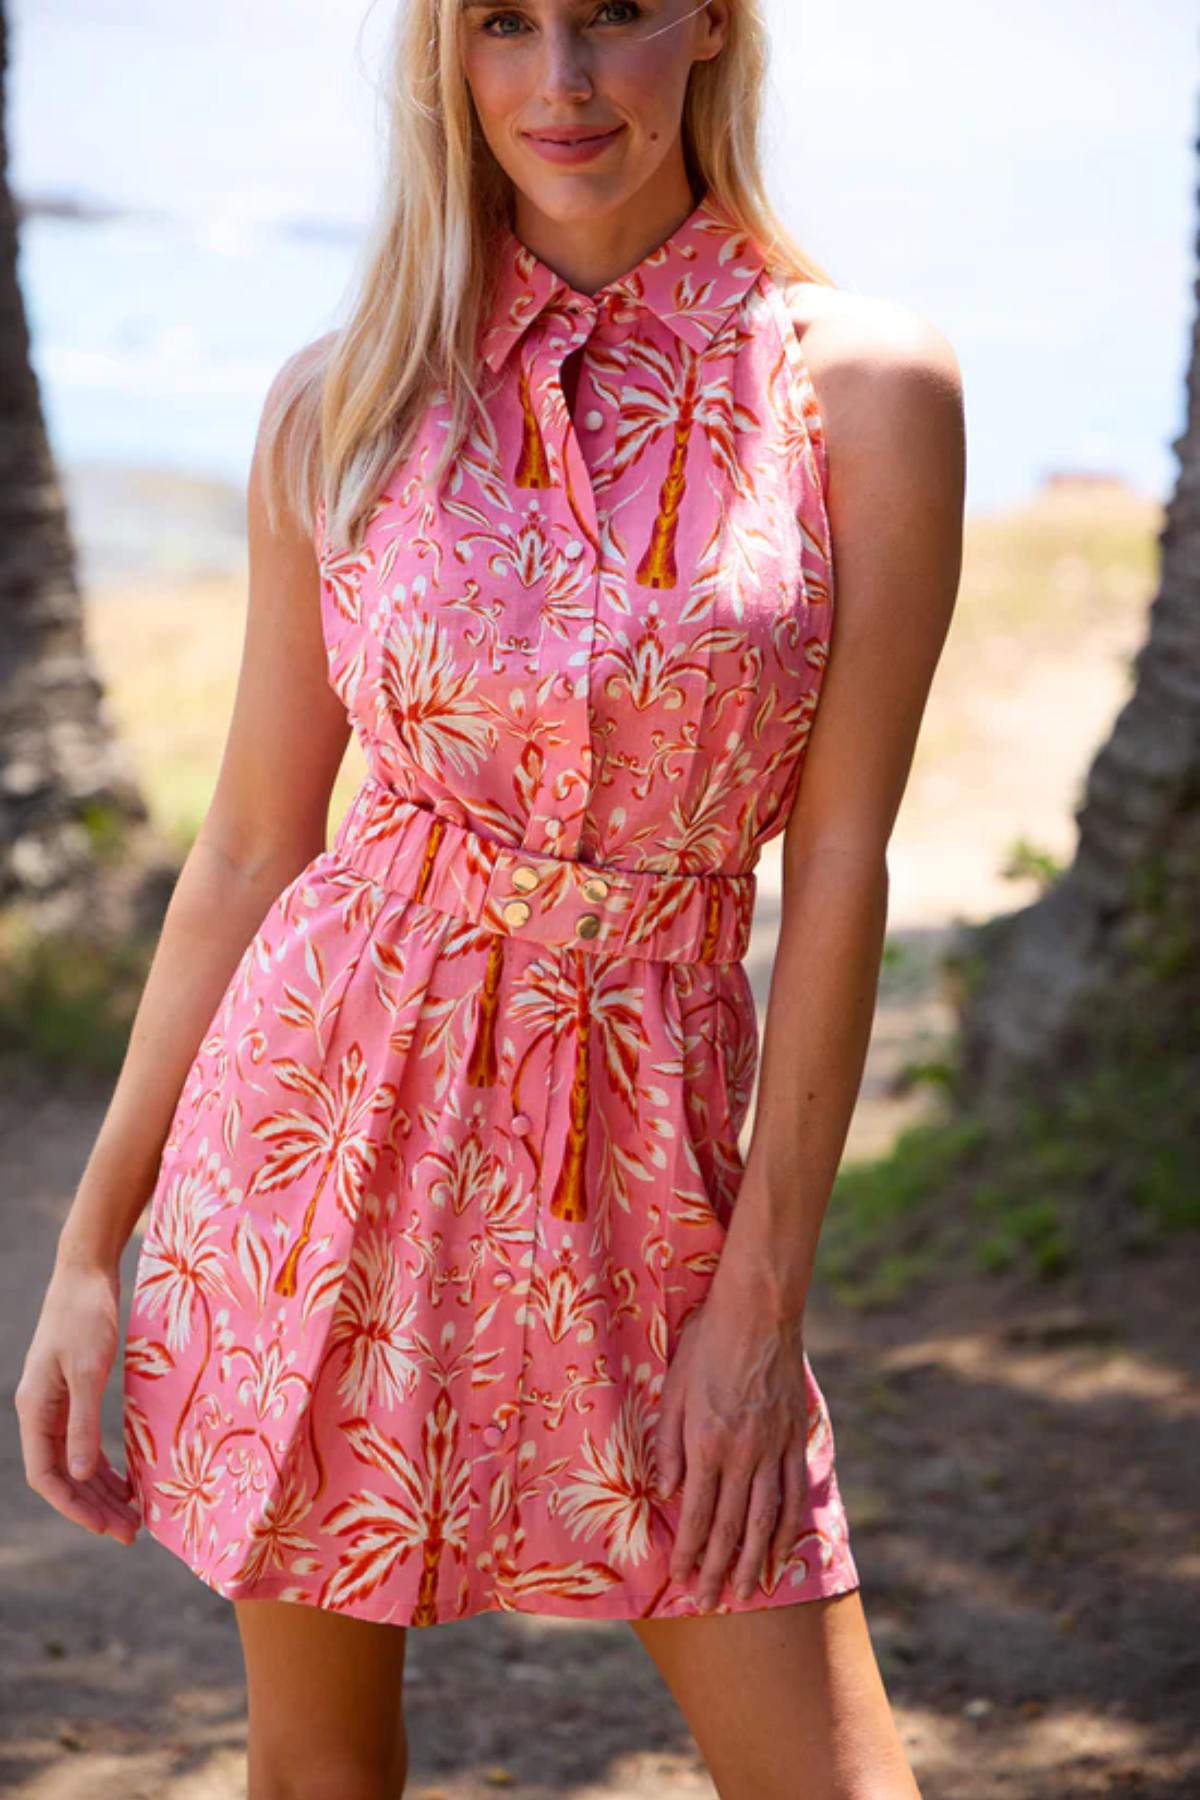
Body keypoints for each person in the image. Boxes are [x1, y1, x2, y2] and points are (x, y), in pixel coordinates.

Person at [16, 0, 964, 1793]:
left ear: (705, 22)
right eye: (504, 25)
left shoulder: (867, 387)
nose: (563, 80)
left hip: (655, 1166)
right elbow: (246, 846)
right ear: (449, 59)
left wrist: (760, 1312)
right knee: (318, 1776)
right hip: (319, 1139)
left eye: (610, 11)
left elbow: (842, 860)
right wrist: (87, 1248)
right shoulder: (347, 396)